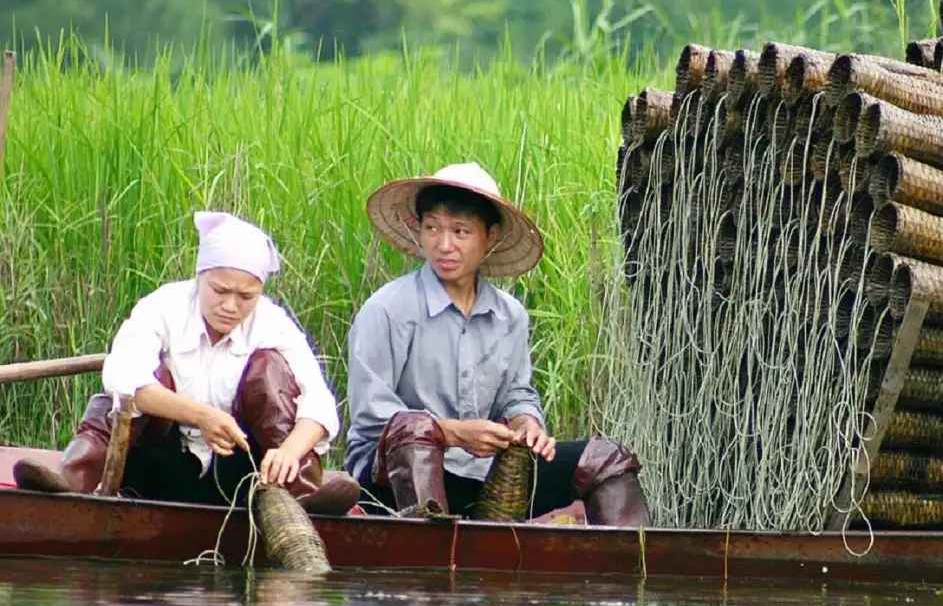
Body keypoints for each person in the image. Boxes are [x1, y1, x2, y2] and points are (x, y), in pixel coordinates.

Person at [345, 162, 650, 525]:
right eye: (432, 229)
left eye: (460, 232)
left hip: (481, 474)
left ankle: (635, 571)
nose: (444, 245)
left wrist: (527, 425)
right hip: (390, 480)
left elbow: (517, 395)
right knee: (413, 429)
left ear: (489, 237)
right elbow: (370, 417)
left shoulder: (511, 316)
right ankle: (428, 560)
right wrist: (454, 433)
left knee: (607, 458)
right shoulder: (387, 310)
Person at [13, 211, 360, 516]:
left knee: (270, 369)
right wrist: (201, 416)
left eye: (245, 297)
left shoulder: (272, 322)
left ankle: (300, 499)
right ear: (200, 277)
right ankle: (72, 481)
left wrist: (289, 450)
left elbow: (319, 402)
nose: (230, 306)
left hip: (241, 471)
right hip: (164, 460)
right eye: (219, 290)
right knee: (126, 394)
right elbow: (123, 377)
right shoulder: (164, 305)